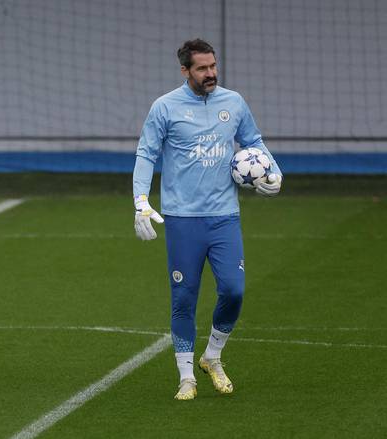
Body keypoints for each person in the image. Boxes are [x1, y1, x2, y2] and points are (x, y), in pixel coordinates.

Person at [132, 39, 282, 400]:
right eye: (202, 68)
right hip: (182, 219)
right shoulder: (165, 107)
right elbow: (146, 152)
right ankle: (186, 376)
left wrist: (275, 174)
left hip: (224, 217)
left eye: (213, 65)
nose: (211, 73)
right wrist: (140, 199)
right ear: (185, 71)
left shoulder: (234, 102)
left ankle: (212, 356)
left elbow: (254, 142)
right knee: (184, 296)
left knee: (234, 290)